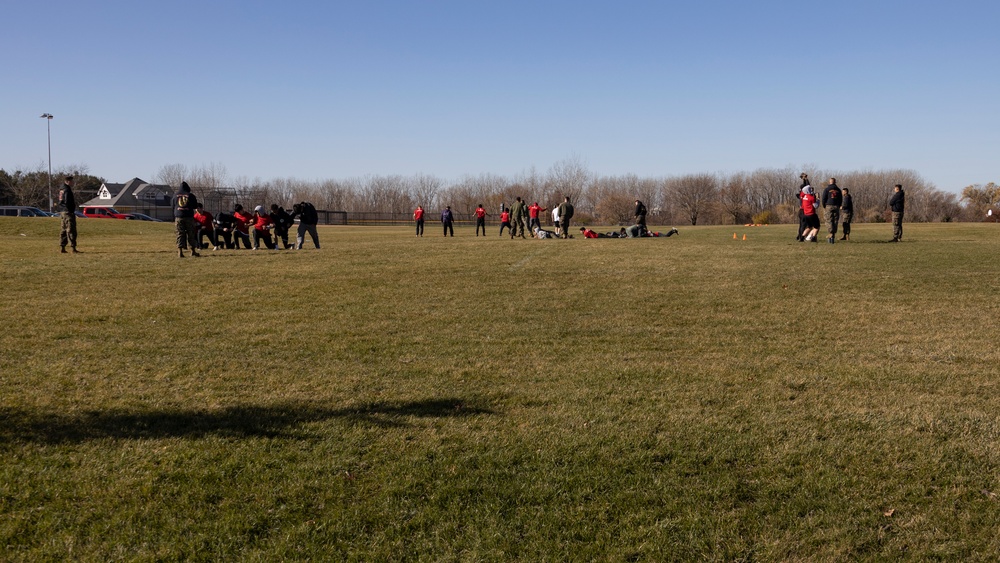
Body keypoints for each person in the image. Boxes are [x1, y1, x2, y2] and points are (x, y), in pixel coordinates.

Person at [172, 181, 200, 257]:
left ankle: (180, 252)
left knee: (179, 233)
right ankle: (192, 251)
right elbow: (195, 206)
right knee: (191, 233)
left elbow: (172, 205)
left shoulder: (175, 195)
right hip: (189, 217)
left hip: (179, 217)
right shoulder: (190, 195)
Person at [57, 175, 79, 253]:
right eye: (72, 181)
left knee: (63, 229)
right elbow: (67, 201)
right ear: (68, 181)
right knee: (71, 230)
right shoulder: (67, 189)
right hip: (68, 212)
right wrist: (71, 209)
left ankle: (62, 247)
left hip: (63, 211)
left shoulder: (61, 189)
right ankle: (73, 247)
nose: (73, 183)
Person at [822, 178, 843, 244]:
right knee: (835, 220)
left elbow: (824, 198)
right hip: (836, 206)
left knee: (829, 220)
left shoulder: (827, 189)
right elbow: (840, 199)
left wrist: (824, 205)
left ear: (830, 182)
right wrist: (839, 205)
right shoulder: (838, 190)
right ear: (835, 182)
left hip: (829, 205)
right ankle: (833, 234)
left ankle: (830, 233)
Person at [796, 173, 810, 241]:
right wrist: (806, 179)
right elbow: (808, 186)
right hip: (805, 211)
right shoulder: (805, 193)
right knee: (805, 225)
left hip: (801, 211)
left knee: (801, 224)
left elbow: (806, 186)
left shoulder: (801, 193)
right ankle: (802, 237)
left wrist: (804, 179)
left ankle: (799, 235)